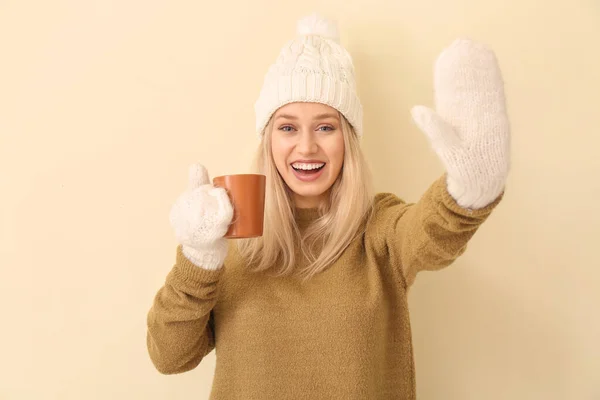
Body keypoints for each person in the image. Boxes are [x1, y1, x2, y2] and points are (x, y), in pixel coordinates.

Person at [146, 13, 510, 400]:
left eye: (325, 127)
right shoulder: (229, 230)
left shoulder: (380, 227)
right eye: (287, 127)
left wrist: (466, 196)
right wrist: (199, 259)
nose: (306, 147)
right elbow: (169, 356)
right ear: (268, 140)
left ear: (347, 139)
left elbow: (431, 234)